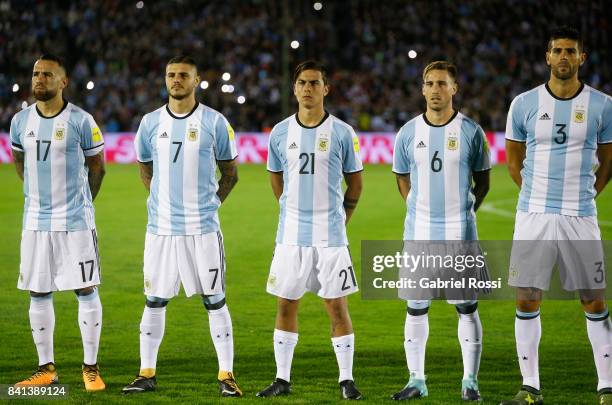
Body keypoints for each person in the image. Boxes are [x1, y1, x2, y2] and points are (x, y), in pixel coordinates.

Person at [501, 27, 612, 405]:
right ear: (547, 57)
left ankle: (607, 388)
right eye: (557, 51)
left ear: (582, 58)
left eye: (571, 51)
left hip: (580, 215)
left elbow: (608, 160)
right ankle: (530, 387)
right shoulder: (524, 104)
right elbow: (514, 162)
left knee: (593, 299)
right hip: (533, 215)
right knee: (527, 299)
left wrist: (583, 196)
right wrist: (536, 196)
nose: (564, 57)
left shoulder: (603, 105)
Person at [121, 56, 241, 397]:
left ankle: (226, 375)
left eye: (183, 76)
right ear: (165, 79)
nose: (176, 80)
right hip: (160, 230)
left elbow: (230, 173)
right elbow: (145, 168)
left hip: (202, 229)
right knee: (154, 300)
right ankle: (146, 373)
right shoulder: (149, 123)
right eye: (171, 75)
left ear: (196, 80)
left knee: (214, 300)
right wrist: (160, 200)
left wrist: (212, 204)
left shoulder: (214, 122)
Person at [256, 60, 363, 400]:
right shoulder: (280, 132)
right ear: (294, 88)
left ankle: (346, 379)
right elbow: (276, 177)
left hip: (330, 236)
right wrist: (288, 208)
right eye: (302, 82)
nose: (307, 88)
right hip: (291, 236)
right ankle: (282, 379)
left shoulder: (343, 132)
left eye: (314, 83)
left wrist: (342, 217)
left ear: (325, 89)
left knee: (336, 306)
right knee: (286, 305)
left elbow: (356, 185)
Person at [391, 61, 491, 401]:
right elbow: (402, 178)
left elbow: (483, 182)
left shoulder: (470, 131)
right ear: (422, 89)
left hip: (459, 235)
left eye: (442, 83)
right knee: (416, 308)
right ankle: (416, 381)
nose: (435, 89)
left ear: (454, 88)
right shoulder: (408, 132)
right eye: (429, 83)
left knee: (466, 306)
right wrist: (420, 211)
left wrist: (460, 214)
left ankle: (470, 382)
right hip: (419, 234)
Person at [10, 54, 107, 392]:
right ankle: (45, 369)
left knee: (84, 288)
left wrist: (81, 205)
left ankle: (91, 368)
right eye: (36, 73)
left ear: (63, 82)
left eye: (47, 74)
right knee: (38, 291)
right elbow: (18, 158)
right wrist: (35, 196)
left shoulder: (81, 120)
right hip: (35, 222)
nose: (39, 79)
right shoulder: (21, 121)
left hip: (75, 222)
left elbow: (98, 167)